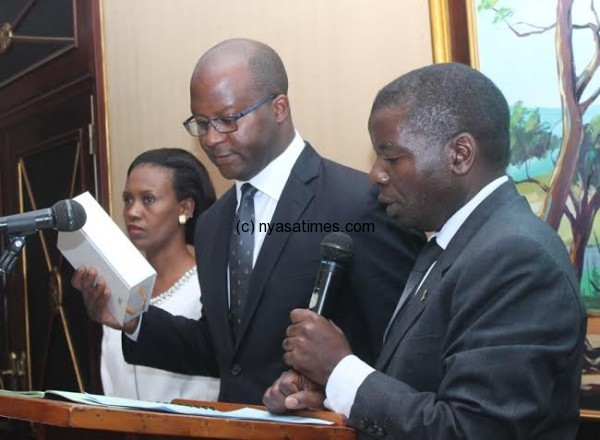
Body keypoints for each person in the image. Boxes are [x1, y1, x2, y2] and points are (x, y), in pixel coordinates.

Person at [73, 38, 425, 404]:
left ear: (279, 108)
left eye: (227, 120)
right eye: (202, 123)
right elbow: (225, 352)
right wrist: (134, 321)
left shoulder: (360, 204)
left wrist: (333, 390)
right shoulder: (212, 225)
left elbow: (407, 348)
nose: (211, 139)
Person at [263, 63, 587, 439]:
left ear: (460, 154)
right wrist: (335, 392)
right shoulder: (451, 246)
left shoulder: (517, 258)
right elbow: (427, 391)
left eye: (392, 157)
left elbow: (473, 430)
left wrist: (341, 370)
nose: (376, 175)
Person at [99, 148, 220, 401]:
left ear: (185, 208)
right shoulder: (119, 293)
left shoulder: (208, 289)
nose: (132, 211)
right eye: (128, 199)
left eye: (148, 199)